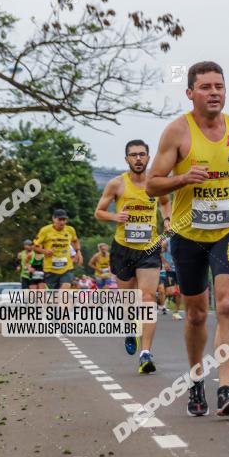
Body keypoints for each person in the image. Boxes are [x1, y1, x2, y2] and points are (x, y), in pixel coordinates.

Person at [147, 61, 229, 416]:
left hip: (227, 229)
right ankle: (197, 380)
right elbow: (152, 184)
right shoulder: (176, 132)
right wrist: (182, 179)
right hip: (187, 234)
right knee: (196, 314)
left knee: (227, 305)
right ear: (190, 93)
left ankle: (225, 387)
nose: (214, 93)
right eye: (207, 87)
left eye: (219, 87)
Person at [94, 139, 172, 374]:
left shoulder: (156, 184)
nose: (138, 158)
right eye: (133, 155)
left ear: (148, 158)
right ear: (126, 159)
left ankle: (145, 353)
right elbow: (98, 212)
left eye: (142, 154)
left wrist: (166, 220)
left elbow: (165, 204)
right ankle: (130, 327)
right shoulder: (116, 184)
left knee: (148, 298)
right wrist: (114, 218)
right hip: (123, 248)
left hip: (148, 248)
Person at [32, 209, 82, 289]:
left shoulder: (70, 230)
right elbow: (34, 247)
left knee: (64, 290)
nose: (62, 222)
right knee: (54, 297)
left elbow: (75, 240)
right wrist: (44, 251)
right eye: (60, 219)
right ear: (53, 219)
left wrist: (78, 252)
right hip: (50, 269)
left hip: (66, 268)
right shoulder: (45, 231)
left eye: (64, 219)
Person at [159, 237, 183, 320]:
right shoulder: (167, 242)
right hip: (170, 270)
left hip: (180, 269)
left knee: (179, 292)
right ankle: (160, 301)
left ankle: (176, 312)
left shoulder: (185, 241)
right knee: (170, 291)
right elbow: (159, 252)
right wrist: (165, 263)